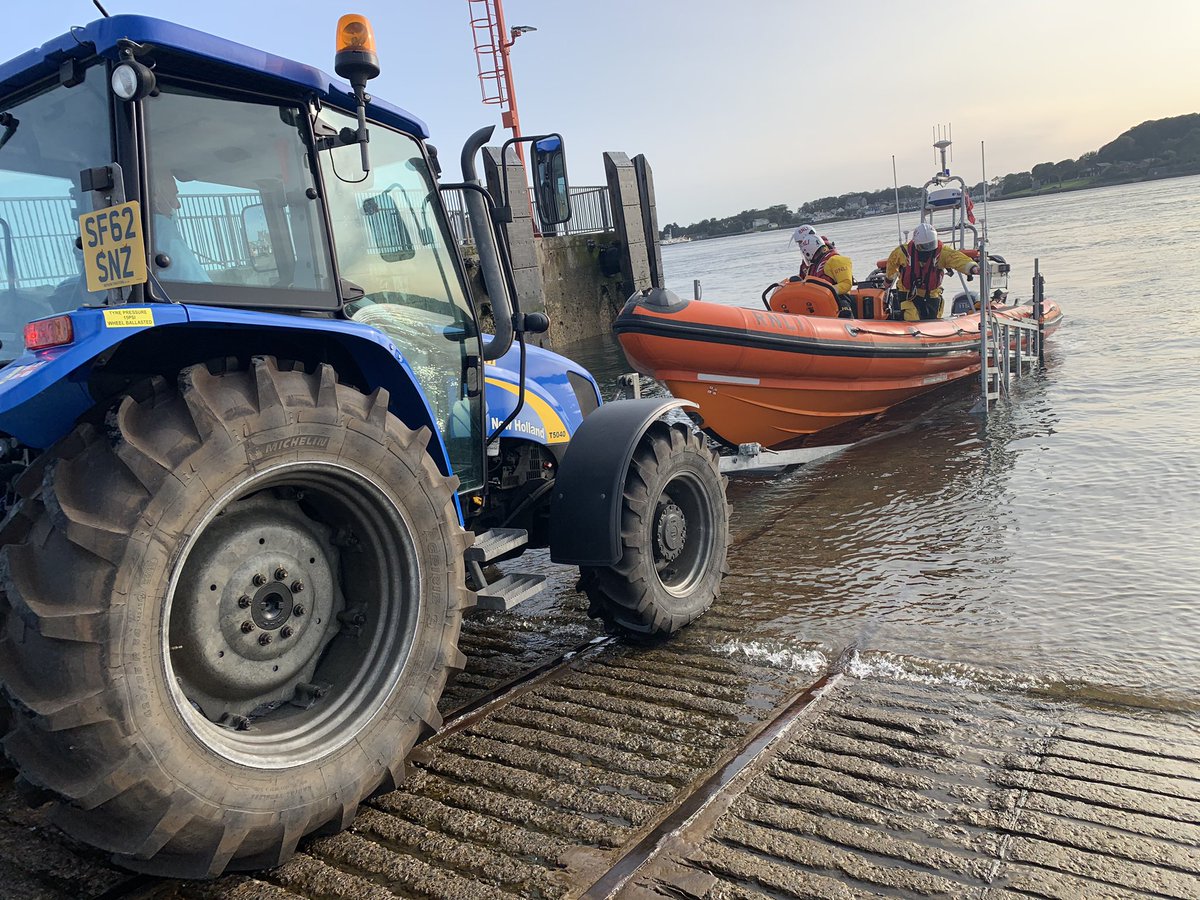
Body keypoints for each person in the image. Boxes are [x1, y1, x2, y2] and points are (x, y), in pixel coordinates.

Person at [883, 222, 978, 321]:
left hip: (932, 293)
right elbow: (892, 264)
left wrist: (972, 267)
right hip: (908, 292)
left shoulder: (942, 253)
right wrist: (888, 281)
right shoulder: (903, 252)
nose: (928, 249)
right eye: (924, 247)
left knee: (934, 318)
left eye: (931, 245)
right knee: (911, 316)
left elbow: (957, 259)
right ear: (916, 245)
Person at [150, 168, 210, 283]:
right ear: (156, 197)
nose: (178, 205)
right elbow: (197, 284)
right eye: (174, 195)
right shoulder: (161, 228)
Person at [797, 232, 855, 318]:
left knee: (844, 310)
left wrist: (828, 291)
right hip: (818, 302)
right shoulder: (812, 267)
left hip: (839, 300)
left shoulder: (836, 260)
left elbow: (846, 284)